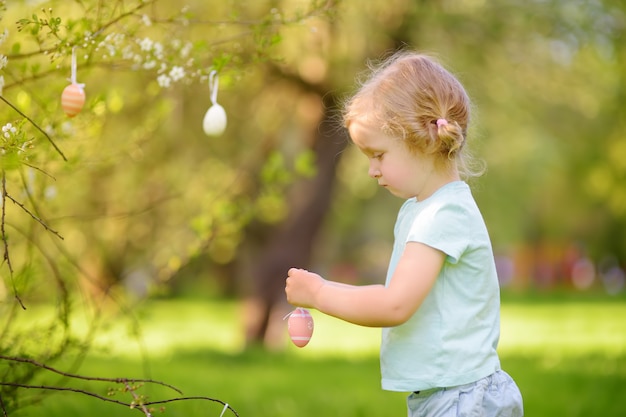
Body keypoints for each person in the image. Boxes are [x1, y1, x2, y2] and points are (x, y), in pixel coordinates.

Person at [284, 51, 524, 417]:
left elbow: (394, 304)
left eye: (378, 155)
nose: (371, 170)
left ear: (423, 142)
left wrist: (318, 293)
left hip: (462, 399)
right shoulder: (421, 209)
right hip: (448, 394)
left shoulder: (444, 214)